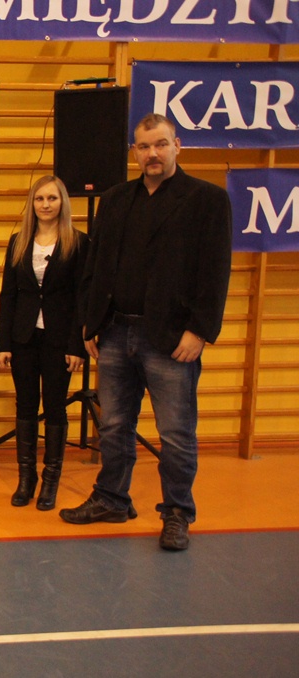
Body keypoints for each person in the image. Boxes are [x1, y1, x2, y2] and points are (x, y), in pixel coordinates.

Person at [59, 113, 233, 551]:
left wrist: (199, 331)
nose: (152, 153)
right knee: (114, 425)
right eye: (144, 147)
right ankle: (112, 499)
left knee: (175, 433)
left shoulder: (207, 200)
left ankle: (177, 513)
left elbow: (215, 272)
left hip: (172, 338)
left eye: (160, 144)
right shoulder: (116, 199)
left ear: (178, 146)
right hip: (115, 330)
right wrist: (91, 321)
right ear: (134, 152)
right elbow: (97, 266)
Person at [0, 176, 88, 511]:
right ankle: (27, 479)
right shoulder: (18, 241)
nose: (45, 205)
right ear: (31, 203)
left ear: (63, 202)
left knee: (54, 407)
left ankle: (51, 480)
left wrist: (77, 345)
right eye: (39, 199)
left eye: (52, 198)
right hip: (23, 336)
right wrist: (3, 342)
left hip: (59, 339)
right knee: (25, 406)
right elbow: (8, 294)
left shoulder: (78, 242)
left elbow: (82, 298)